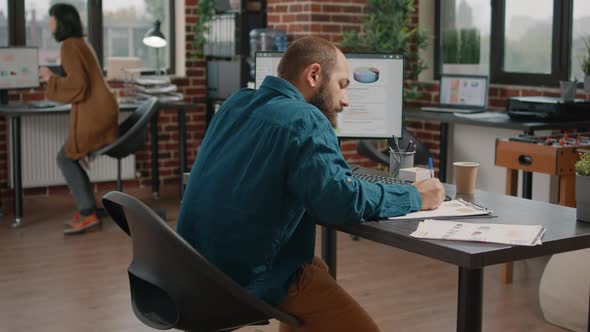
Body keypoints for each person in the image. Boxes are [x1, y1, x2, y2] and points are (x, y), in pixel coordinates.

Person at [177, 36, 445, 331]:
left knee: (317, 268)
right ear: (314, 75)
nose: (346, 100)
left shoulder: (235, 102)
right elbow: (341, 202)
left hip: (192, 269)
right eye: (342, 85)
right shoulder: (305, 119)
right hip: (240, 279)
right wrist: (415, 196)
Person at [39, 3, 119, 235]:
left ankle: (87, 214)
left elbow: (77, 86)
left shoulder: (69, 46)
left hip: (95, 113)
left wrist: (49, 78)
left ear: (61, 21)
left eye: (52, 19)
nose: (50, 24)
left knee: (65, 157)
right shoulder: (80, 43)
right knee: (69, 157)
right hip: (102, 110)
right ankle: (88, 209)